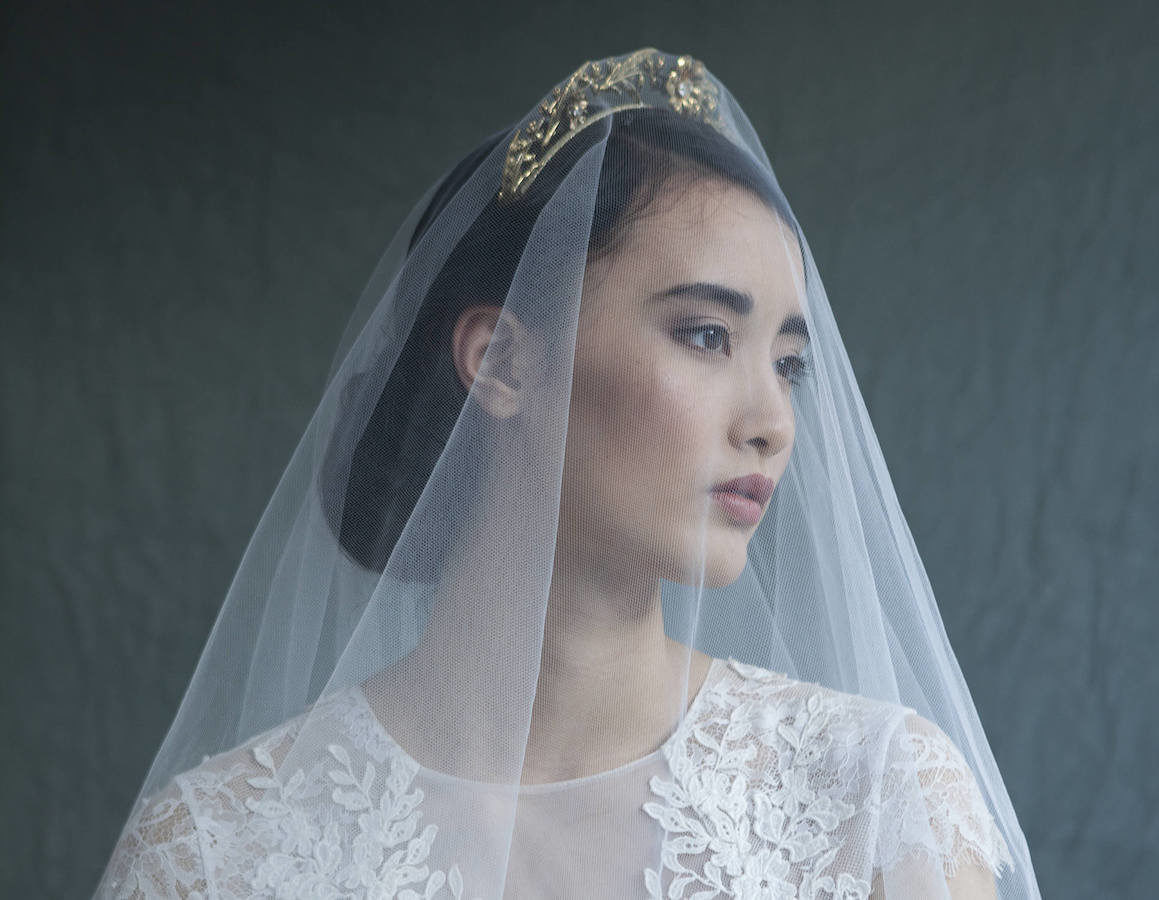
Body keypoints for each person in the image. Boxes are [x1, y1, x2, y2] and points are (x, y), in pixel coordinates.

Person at [94, 47, 1041, 898]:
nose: (771, 424)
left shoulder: (875, 805)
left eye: (787, 364)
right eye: (706, 335)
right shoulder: (215, 853)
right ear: (502, 361)